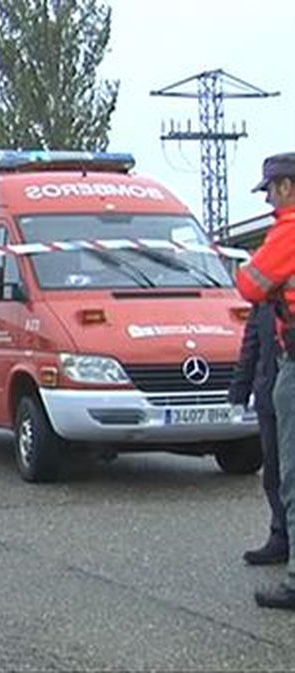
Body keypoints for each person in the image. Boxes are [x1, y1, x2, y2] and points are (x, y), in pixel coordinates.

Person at [235, 151, 295, 609]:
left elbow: (250, 284)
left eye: (272, 189)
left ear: (287, 187)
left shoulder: (289, 229)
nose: (271, 199)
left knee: (291, 474)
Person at [228, 304, 285, 564]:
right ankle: (280, 537)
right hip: (269, 397)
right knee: (273, 473)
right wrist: (239, 389)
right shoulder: (263, 304)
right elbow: (251, 345)